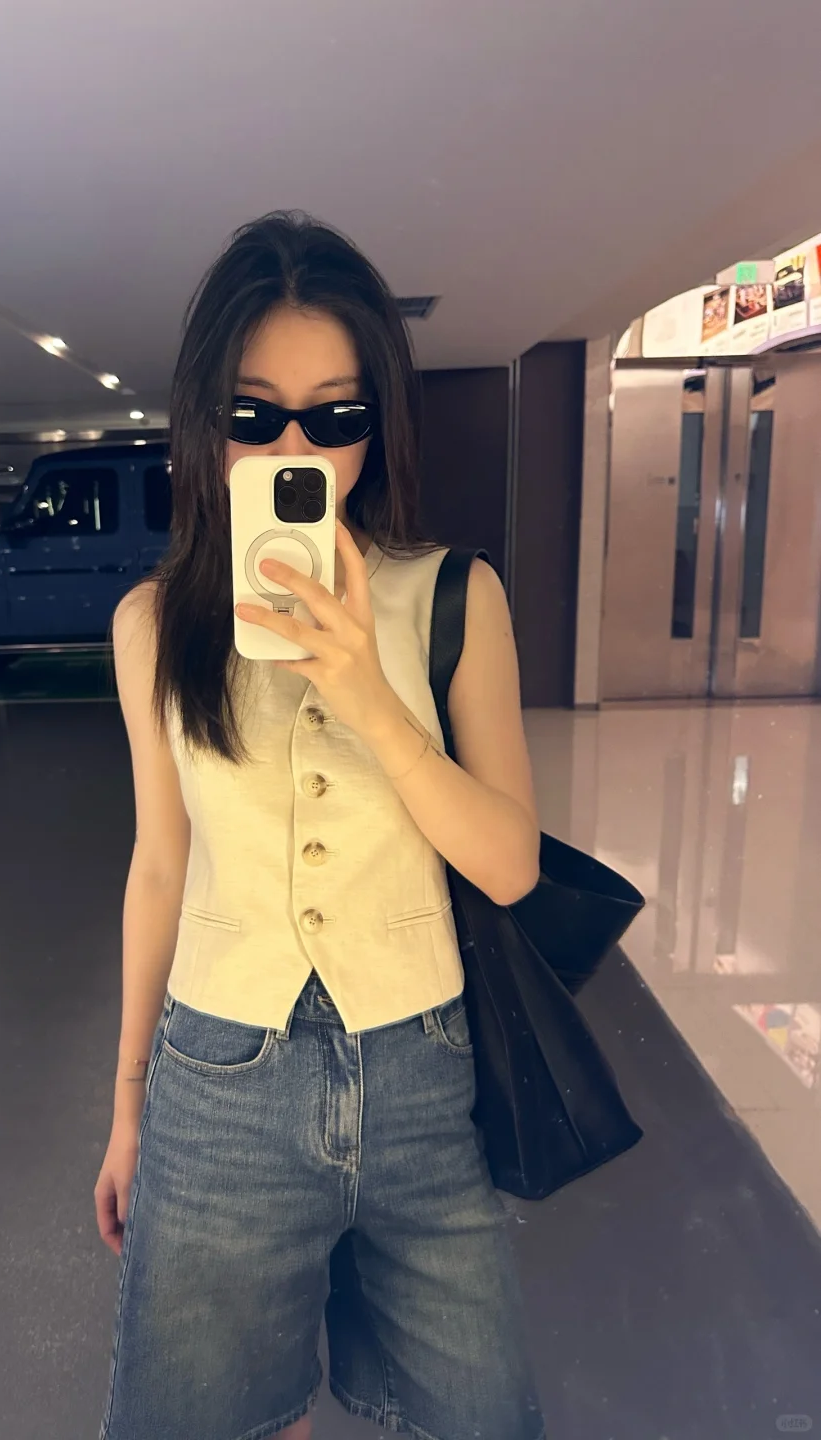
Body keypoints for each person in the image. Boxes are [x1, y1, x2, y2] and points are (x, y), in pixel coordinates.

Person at [94, 211, 547, 1440]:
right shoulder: (152, 627)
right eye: (253, 416)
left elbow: (511, 866)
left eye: (334, 416)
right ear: (202, 421)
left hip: (422, 1079)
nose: (294, 448)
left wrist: (370, 697)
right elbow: (159, 867)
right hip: (216, 1086)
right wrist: (129, 1108)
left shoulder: (457, 596)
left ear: (376, 424)